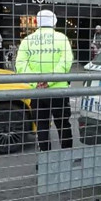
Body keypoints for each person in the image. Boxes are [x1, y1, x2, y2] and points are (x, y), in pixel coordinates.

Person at [15, 10, 74, 152]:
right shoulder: (61, 38)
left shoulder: (27, 40)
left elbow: (20, 65)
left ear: (38, 22)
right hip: (59, 90)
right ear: (54, 22)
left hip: (38, 91)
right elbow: (66, 62)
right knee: (63, 124)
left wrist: (38, 82)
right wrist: (49, 80)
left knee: (41, 125)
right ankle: (66, 156)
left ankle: (45, 158)